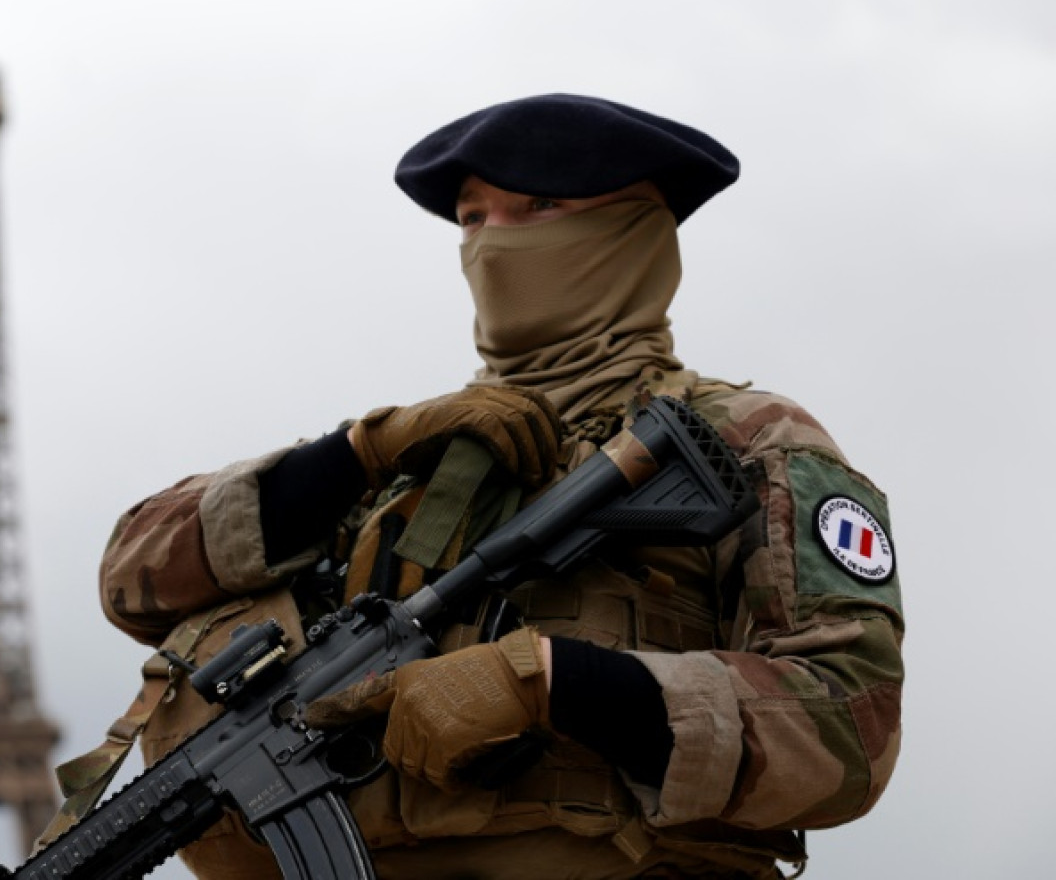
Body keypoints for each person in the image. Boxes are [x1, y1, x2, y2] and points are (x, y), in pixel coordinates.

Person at [95, 94, 904, 879]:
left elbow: (849, 724)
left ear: (632, 232)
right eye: (473, 217)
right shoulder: (416, 458)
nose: (491, 243)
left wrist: (552, 680)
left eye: (538, 205)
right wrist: (360, 450)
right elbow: (132, 581)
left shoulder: (746, 439)